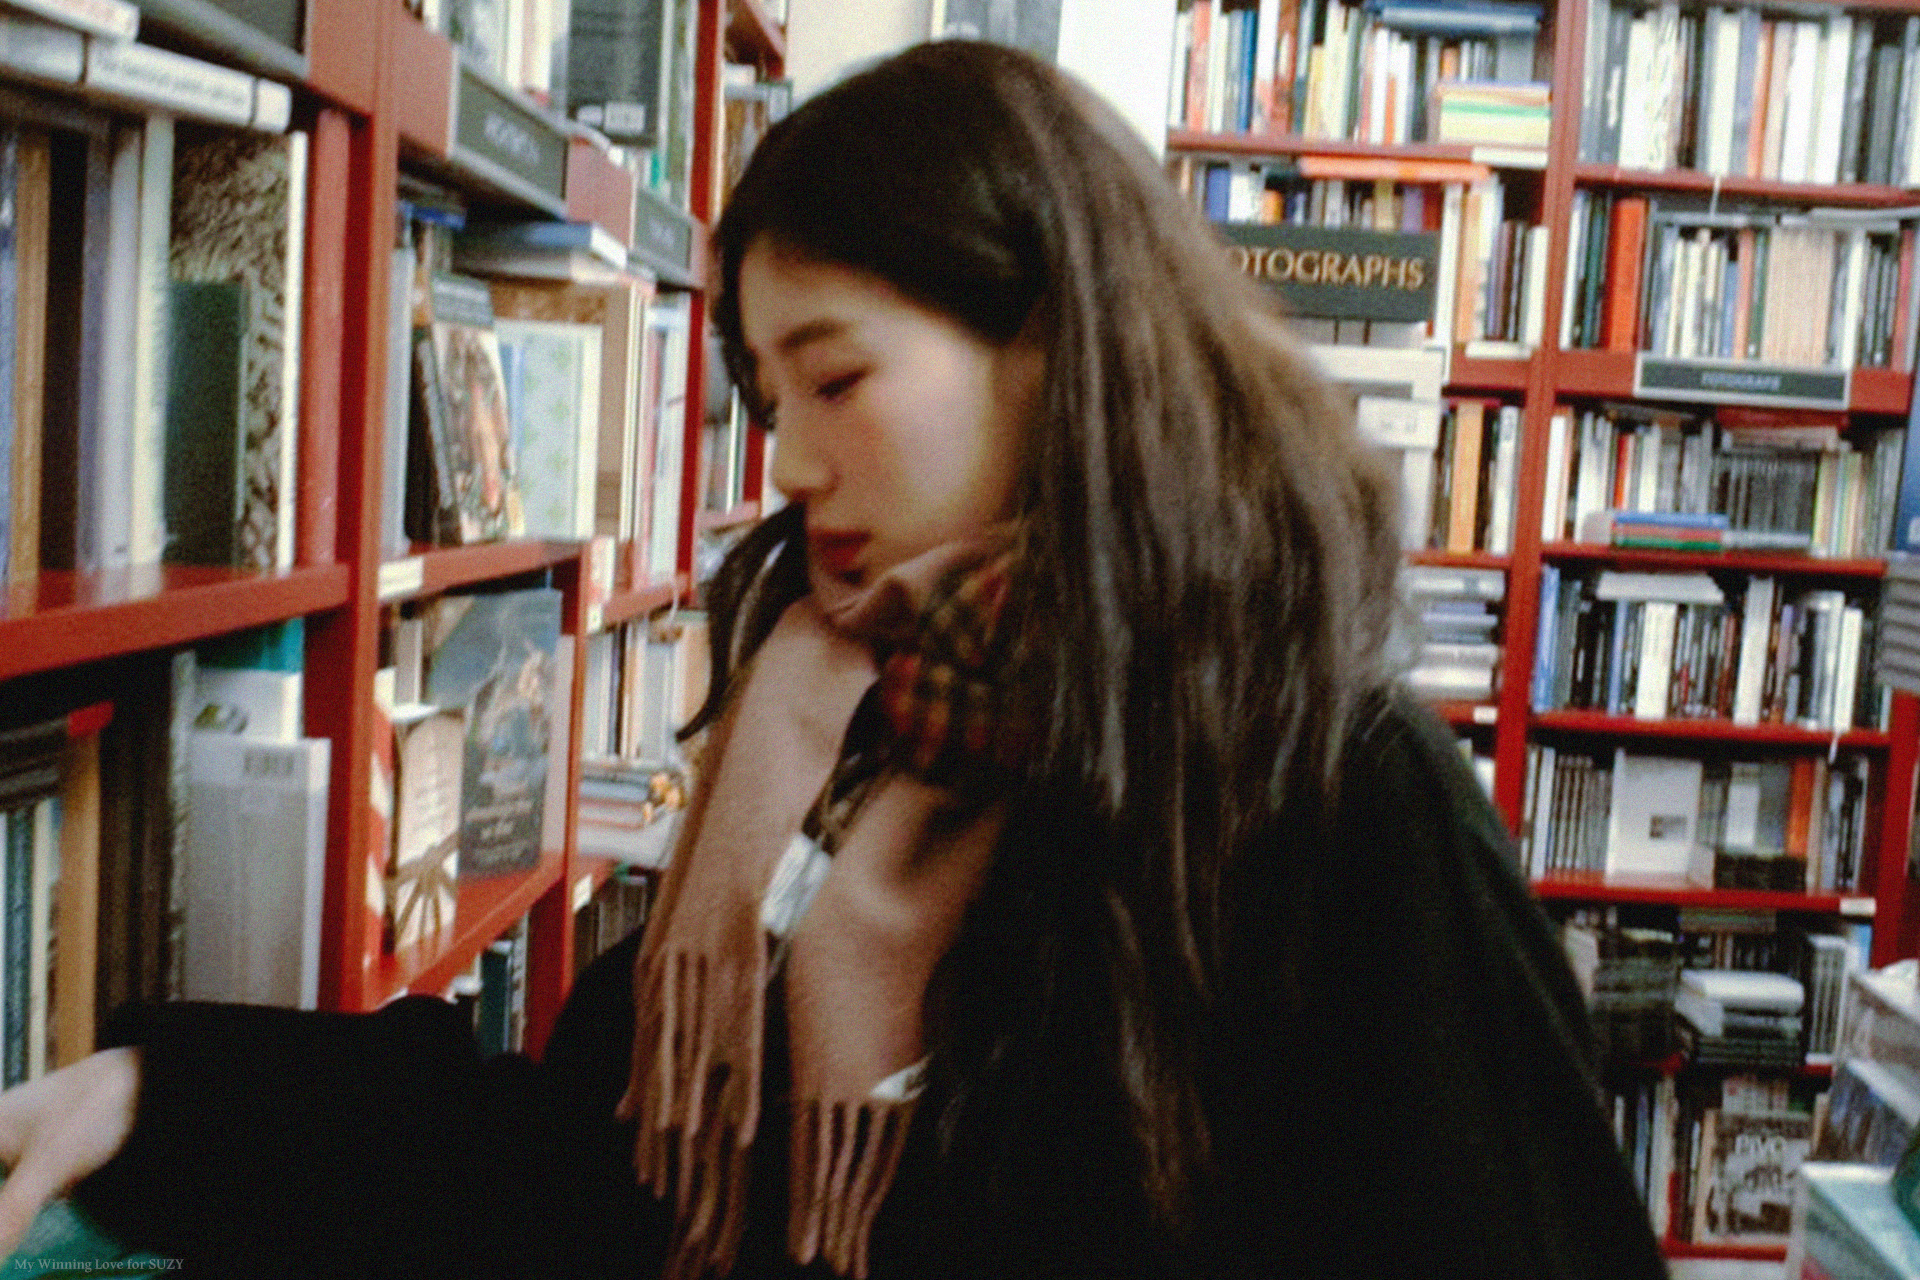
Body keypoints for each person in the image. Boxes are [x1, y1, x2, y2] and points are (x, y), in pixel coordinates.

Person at [0, 40, 1667, 1280]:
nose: (789, 461)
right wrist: (171, 1096)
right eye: (766, 394)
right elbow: (600, 1164)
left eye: (838, 378)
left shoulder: (1334, 798)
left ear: (1054, 347)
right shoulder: (828, 730)